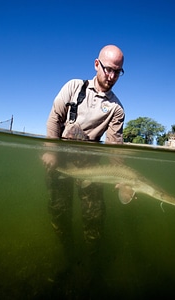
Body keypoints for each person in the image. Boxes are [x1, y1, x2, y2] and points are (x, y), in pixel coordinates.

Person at [42, 45, 125, 287]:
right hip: (61, 160)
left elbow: (114, 148)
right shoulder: (74, 87)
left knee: (94, 218)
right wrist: (51, 151)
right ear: (97, 64)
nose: (111, 77)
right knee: (58, 211)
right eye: (108, 69)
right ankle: (68, 257)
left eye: (117, 72)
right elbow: (54, 118)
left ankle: (91, 268)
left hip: (91, 166)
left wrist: (120, 175)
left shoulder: (116, 109)